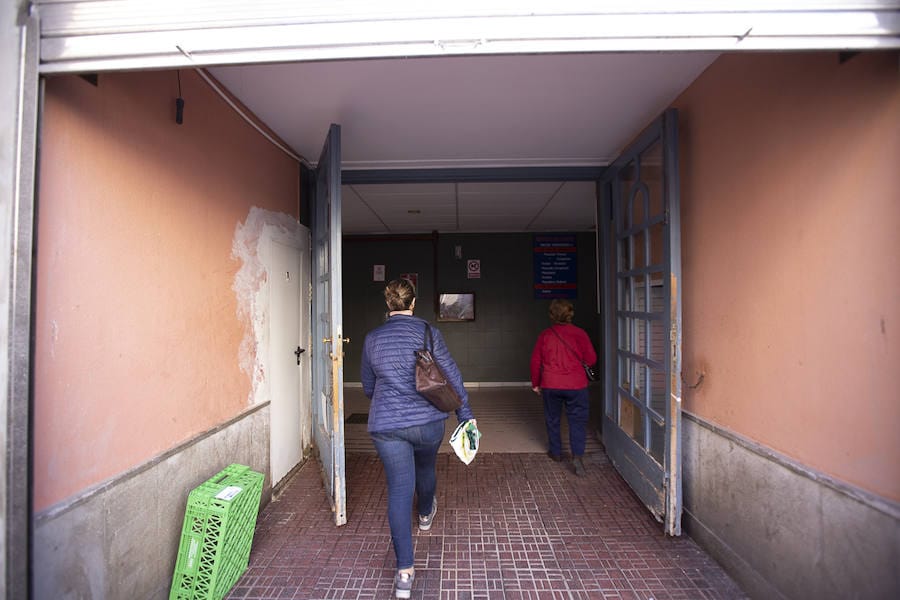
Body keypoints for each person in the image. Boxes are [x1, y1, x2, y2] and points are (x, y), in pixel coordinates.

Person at [361, 278, 475, 599]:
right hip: (427, 422)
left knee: (399, 489)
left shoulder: (372, 339)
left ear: (389, 304)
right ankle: (425, 514)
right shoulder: (428, 332)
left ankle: (404, 574)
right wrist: (465, 414)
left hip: (387, 426)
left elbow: (368, 388)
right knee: (425, 469)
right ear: (413, 303)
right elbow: (450, 375)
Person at [530, 298, 598, 477]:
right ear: (570, 314)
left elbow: (536, 361)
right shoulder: (580, 334)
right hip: (576, 385)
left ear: (552, 315)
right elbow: (591, 359)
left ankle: (556, 452)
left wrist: (536, 383)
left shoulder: (545, 335)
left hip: (551, 384)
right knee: (578, 421)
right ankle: (577, 456)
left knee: (552, 418)